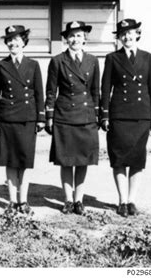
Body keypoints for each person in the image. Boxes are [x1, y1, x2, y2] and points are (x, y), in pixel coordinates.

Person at [100, 19, 151, 217]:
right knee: (118, 159)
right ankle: (122, 200)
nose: (127, 37)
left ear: (137, 34)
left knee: (136, 160)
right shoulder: (112, 58)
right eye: (123, 33)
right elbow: (105, 88)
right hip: (119, 115)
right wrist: (105, 115)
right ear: (119, 37)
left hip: (141, 115)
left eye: (130, 32)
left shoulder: (147, 57)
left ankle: (132, 200)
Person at [45, 21, 100, 215]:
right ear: (65, 39)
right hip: (65, 115)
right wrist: (49, 116)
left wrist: (97, 115)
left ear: (85, 38)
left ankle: (79, 200)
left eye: (78, 35)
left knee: (83, 160)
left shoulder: (93, 61)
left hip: (86, 116)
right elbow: (51, 91)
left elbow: (95, 91)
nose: (75, 39)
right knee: (66, 160)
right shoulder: (58, 60)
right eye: (71, 36)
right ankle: (68, 199)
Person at [0, 25, 45, 214]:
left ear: (24, 42)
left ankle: (24, 200)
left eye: (17, 39)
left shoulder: (33, 65)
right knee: (10, 160)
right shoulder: (0, 65)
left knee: (25, 161)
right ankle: (12, 201)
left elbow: (39, 93)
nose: (13, 43)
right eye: (9, 40)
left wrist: (41, 118)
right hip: (7, 119)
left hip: (27, 119)